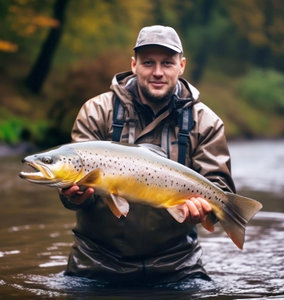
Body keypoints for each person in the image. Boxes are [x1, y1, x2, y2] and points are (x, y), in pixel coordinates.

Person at [58, 25, 236, 283]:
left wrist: (205, 211)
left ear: (182, 65)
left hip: (178, 268)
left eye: (167, 63)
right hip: (95, 264)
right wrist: (73, 197)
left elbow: (220, 191)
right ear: (134, 64)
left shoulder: (206, 122)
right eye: (148, 63)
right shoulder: (96, 112)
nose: (157, 72)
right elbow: (73, 185)